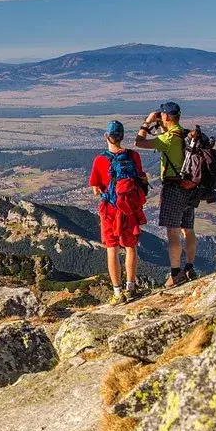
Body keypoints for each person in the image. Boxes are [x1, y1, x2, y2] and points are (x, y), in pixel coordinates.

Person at [135, 102, 197, 287]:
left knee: (173, 231)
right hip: (190, 187)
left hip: (173, 187)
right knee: (188, 228)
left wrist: (147, 122)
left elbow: (139, 142)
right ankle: (189, 267)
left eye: (162, 115)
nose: (160, 117)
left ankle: (175, 273)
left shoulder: (169, 138)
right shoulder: (185, 134)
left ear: (167, 117)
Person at [89, 121, 147, 305]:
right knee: (131, 247)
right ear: (122, 137)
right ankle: (131, 287)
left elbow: (96, 189)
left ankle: (117, 293)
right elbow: (141, 178)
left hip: (110, 211)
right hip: (129, 209)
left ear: (106, 136)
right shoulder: (133, 156)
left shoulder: (100, 160)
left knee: (112, 250)